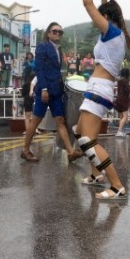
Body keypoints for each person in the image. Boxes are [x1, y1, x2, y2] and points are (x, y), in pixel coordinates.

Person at [74, 0, 130, 200]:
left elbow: (87, 4)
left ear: (107, 17)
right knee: (81, 132)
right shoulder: (115, 34)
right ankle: (96, 175)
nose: (96, 19)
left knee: (87, 141)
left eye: (102, 16)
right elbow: (98, 8)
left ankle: (117, 185)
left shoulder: (112, 33)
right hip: (99, 88)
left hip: (99, 89)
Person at [21, 22, 81, 163]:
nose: (58, 34)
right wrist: (43, 89)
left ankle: (70, 152)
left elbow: (55, 71)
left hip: (56, 91)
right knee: (36, 120)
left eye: (60, 32)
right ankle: (25, 150)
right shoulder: (43, 47)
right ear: (48, 33)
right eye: (55, 31)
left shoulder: (58, 49)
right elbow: (40, 70)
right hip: (45, 91)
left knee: (60, 120)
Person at [114, 68, 130, 137]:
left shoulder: (119, 81)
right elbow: (127, 90)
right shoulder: (126, 81)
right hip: (124, 100)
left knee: (121, 116)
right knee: (125, 116)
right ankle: (119, 131)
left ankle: (121, 131)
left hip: (118, 99)